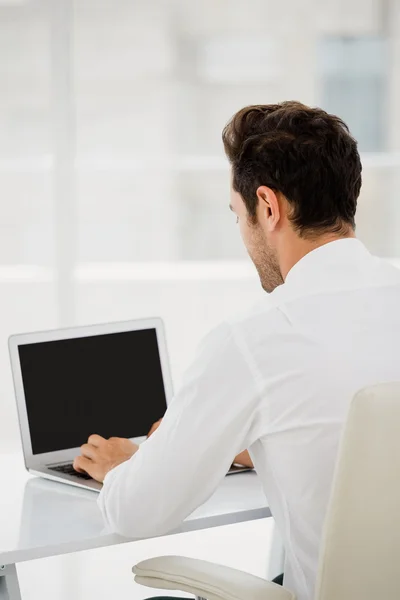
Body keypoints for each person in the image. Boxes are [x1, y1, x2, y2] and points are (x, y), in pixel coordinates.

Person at [74, 101, 400, 600]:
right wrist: (266, 441)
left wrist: (124, 467)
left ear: (267, 207)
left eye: (238, 215)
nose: (243, 235)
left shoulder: (256, 338)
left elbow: (139, 513)